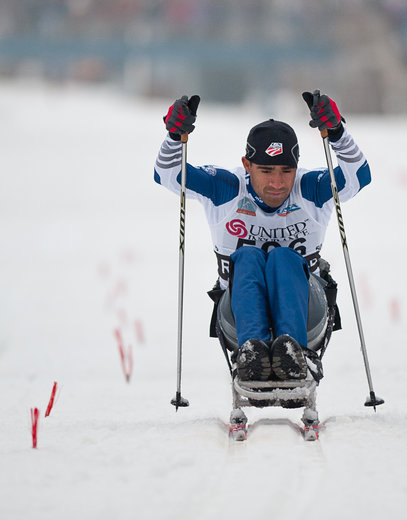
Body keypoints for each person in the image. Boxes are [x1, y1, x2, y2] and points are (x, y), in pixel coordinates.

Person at [153, 91, 371, 385]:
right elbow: (167, 174)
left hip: (308, 313)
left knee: (283, 258)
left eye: (286, 171)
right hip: (237, 315)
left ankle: (295, 355)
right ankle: (251, 354)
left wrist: (337, 133)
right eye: (266, 171)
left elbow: (359, 176)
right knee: (247, 257)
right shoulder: (225, 188)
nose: (277, 183)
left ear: (296, 167)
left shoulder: (310, 189)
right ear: (247, 165)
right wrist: (173, 136)